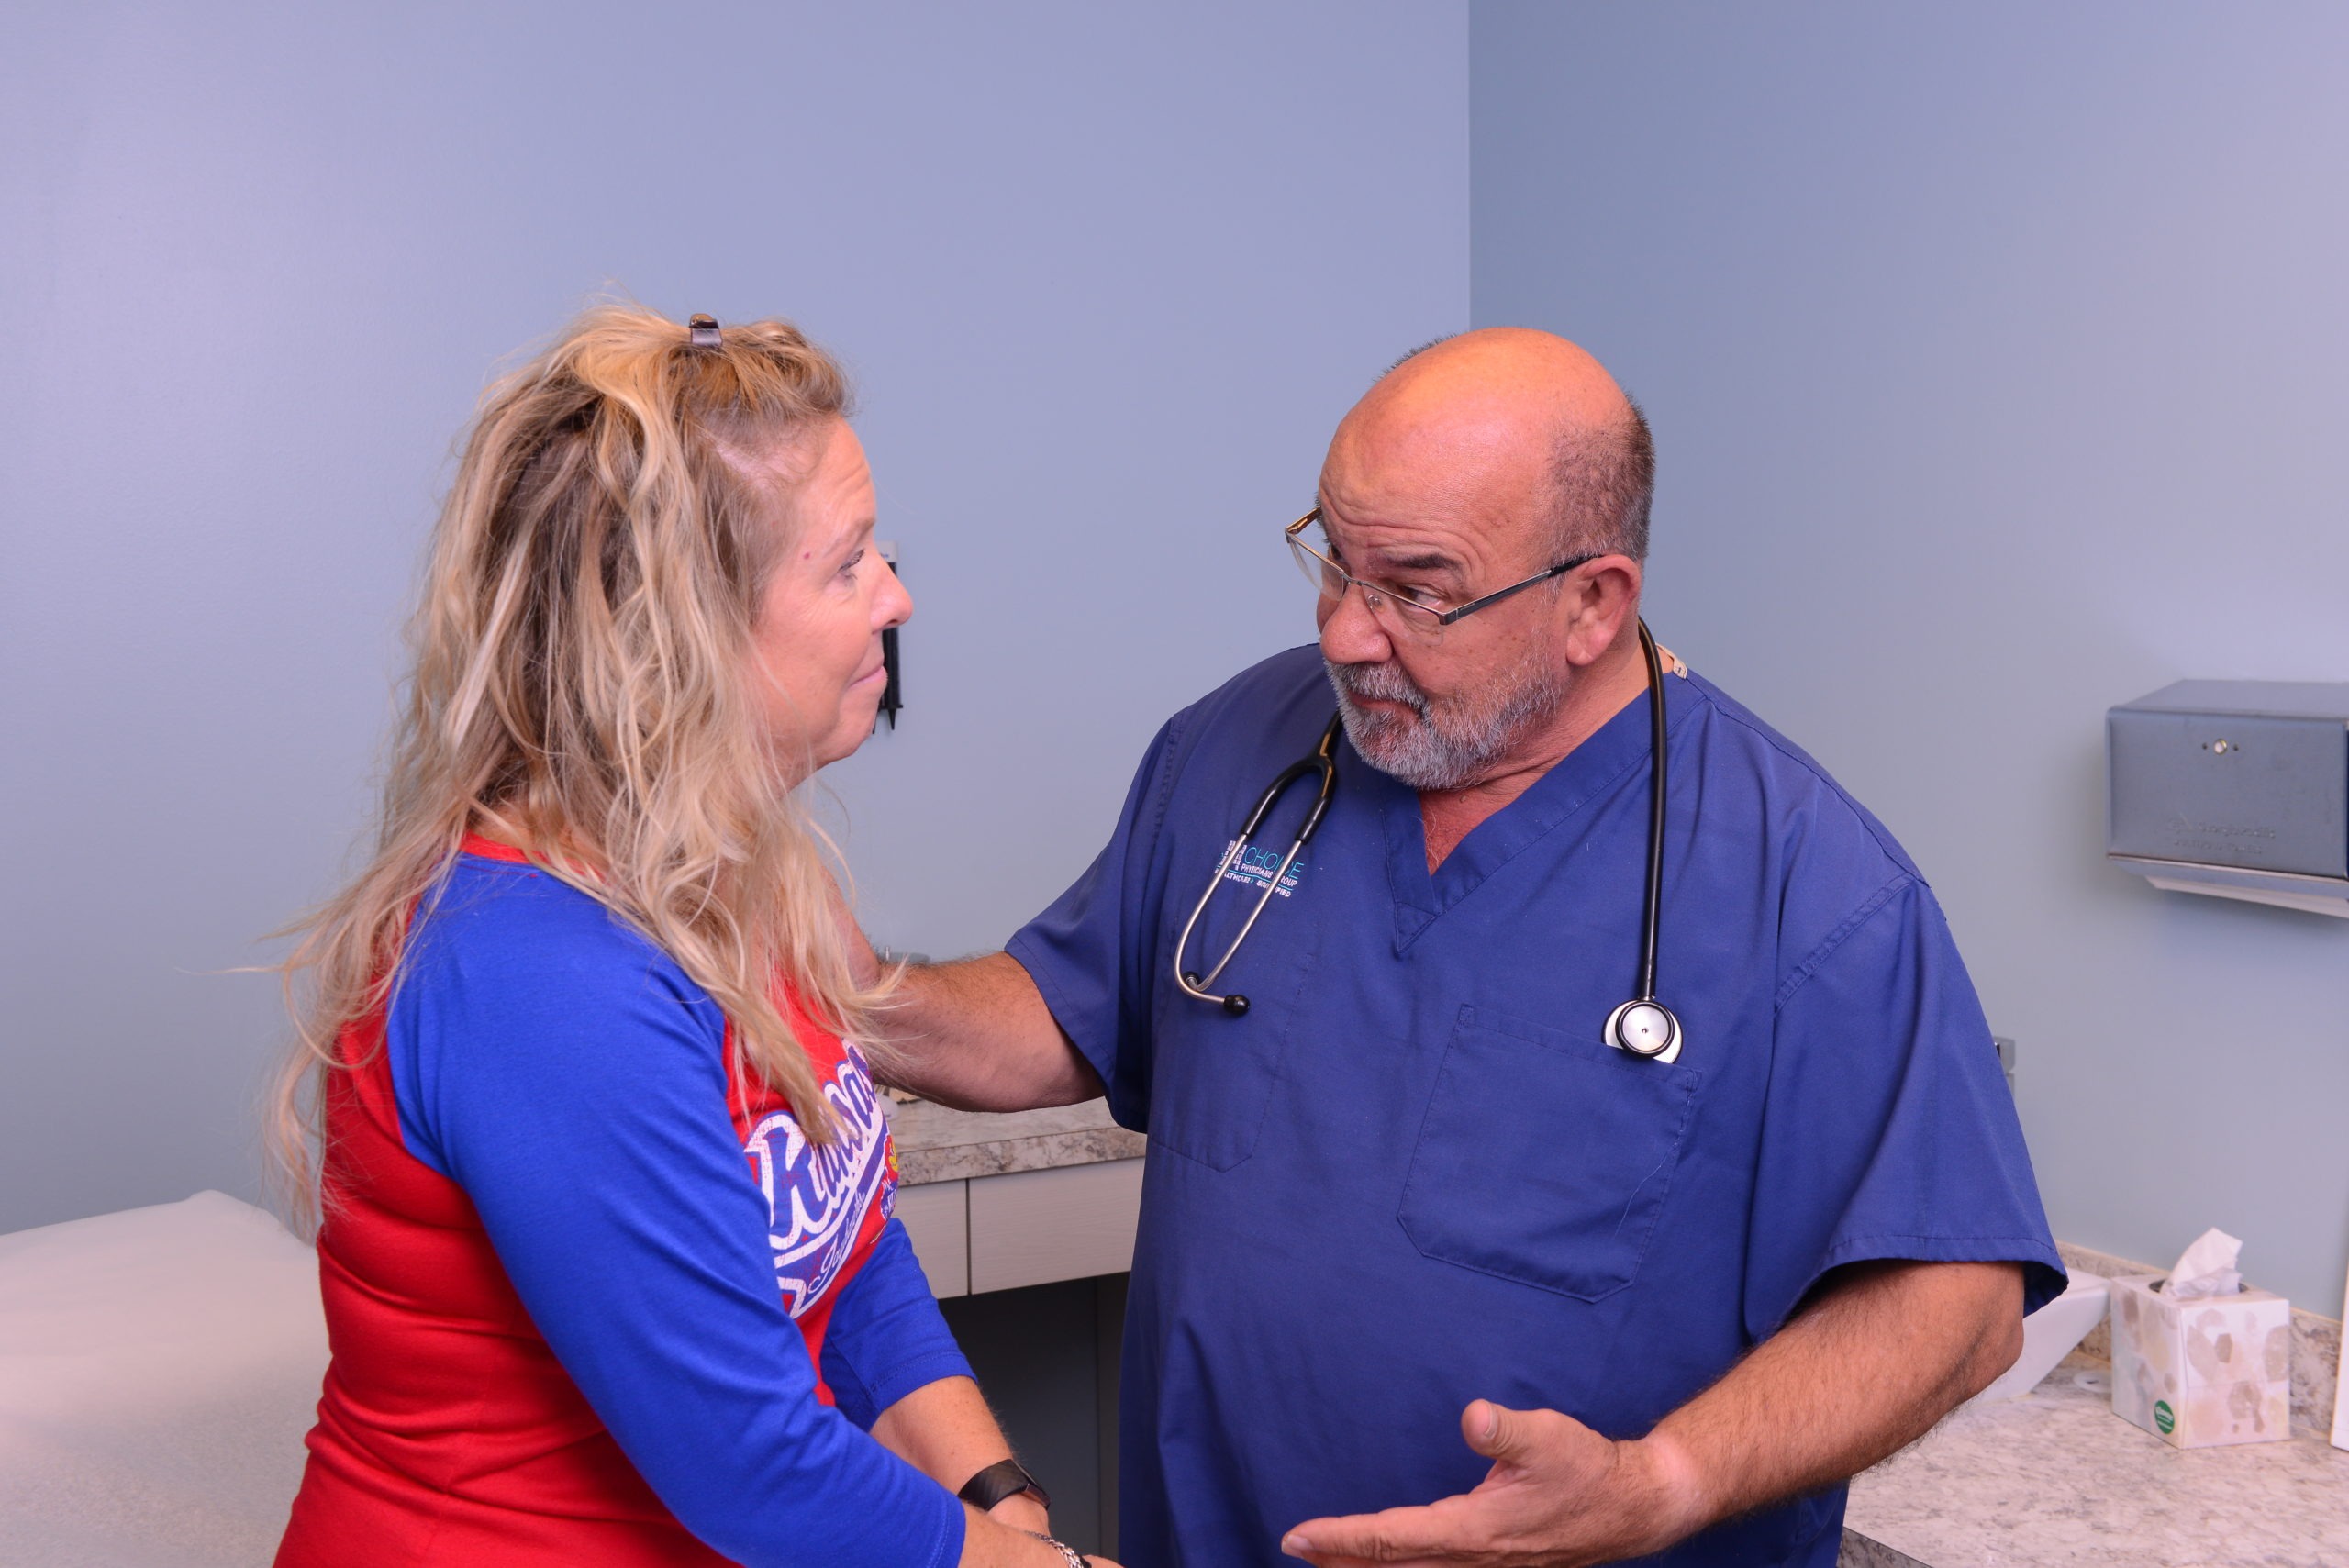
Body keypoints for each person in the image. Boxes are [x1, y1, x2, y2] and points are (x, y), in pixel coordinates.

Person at [857, 328, 2065, 1568]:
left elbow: (1959, 1307)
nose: (1345, 632)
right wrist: (841, 989)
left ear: (1592, 602)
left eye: (1417, 590)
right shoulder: (1242, 744)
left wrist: (1663, 1482)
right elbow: (1068, 1013)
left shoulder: (1810, 886)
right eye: (1335, 561)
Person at [270, 306, 1108, 1568]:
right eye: (848, 564)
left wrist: (999, 1496)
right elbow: (755, 1465)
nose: (897, 596)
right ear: (684, 635)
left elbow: (846, 1252)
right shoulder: (539, 979)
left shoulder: (744, 885)